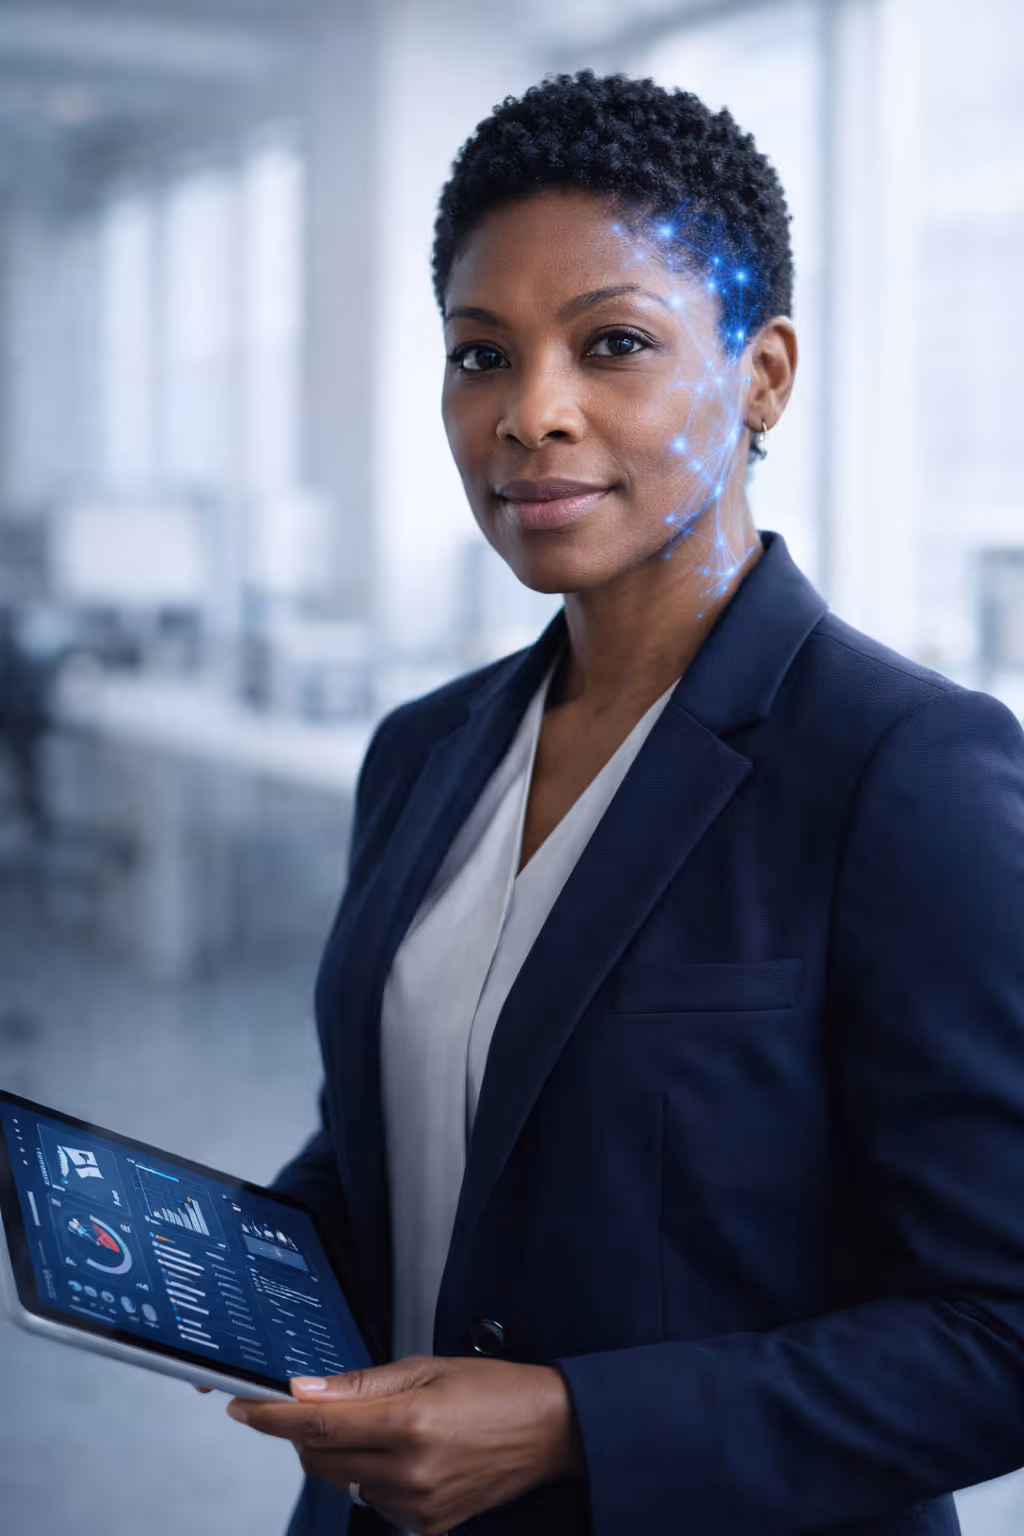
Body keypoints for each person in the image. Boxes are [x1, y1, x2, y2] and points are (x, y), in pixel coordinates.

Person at [224, 72, 1024, 1536]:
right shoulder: (422, 750)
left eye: (613, 344)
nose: (530, 415)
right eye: (481, 356)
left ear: (764, 373)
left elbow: (1003, 1331)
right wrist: (209, 1258)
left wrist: (573, 1425)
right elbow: (410, 1140)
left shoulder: (908, 771)